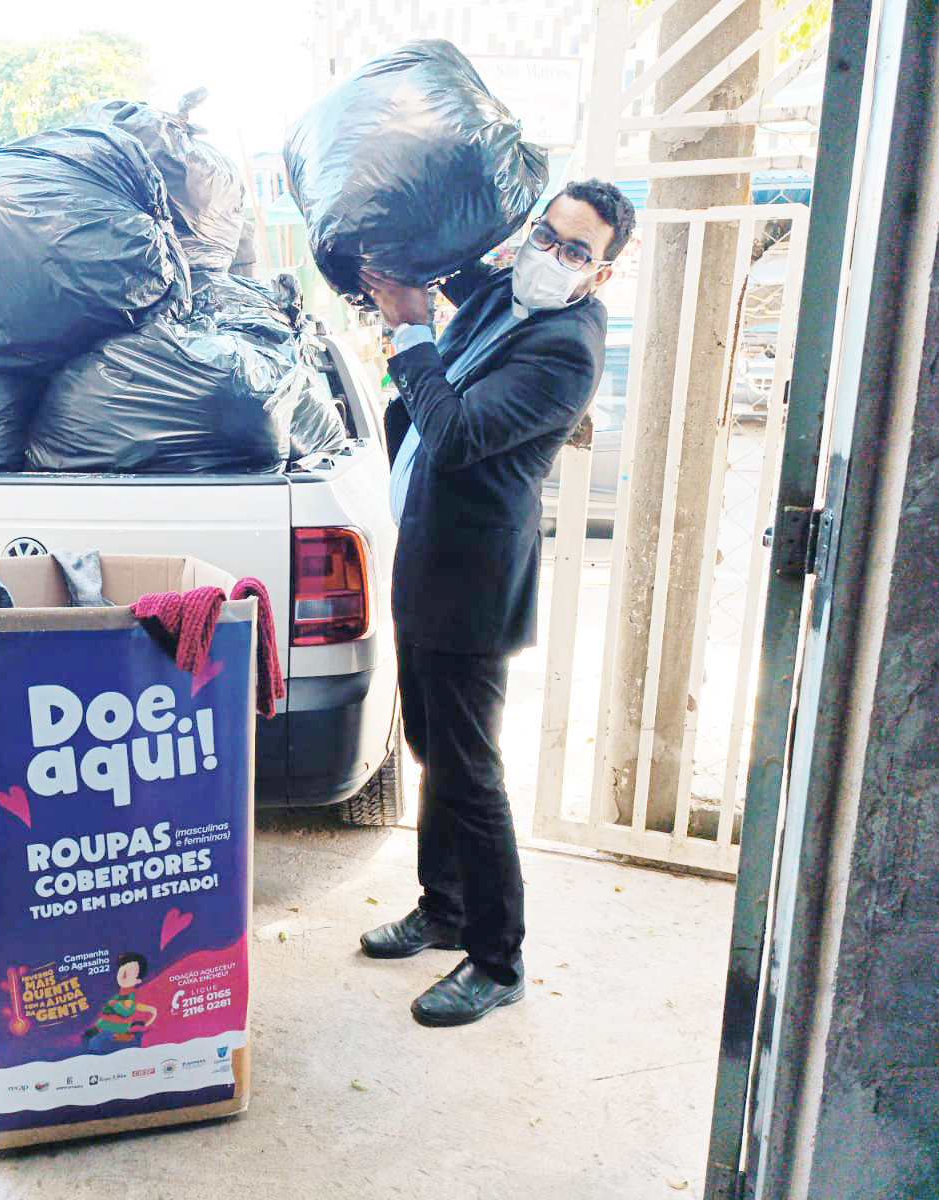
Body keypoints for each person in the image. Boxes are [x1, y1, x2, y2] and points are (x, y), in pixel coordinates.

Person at [358, 180, 636, 1027]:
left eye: (577, 252)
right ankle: (443, 908)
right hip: (428, 559)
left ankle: (497, 957)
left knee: (471, 771)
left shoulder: (567, 348)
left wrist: (408, 331)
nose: (552, 258)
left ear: (602, 276)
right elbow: (442, 261)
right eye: (546, 236)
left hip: (473, 586)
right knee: (430, 745)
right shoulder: (503, 293)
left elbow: (459, 433)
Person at [81, 951, 159, 1050]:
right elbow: (108, 1009)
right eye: (122, 971)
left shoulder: (129, 996)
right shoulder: (121, 994)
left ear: (138, 980)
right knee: (88, 1036)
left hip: (116, 1028)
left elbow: (127, 1011)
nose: (123, 975)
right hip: (107, 1025)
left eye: (128, 973)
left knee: (96, 1040)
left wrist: (114, 1005)